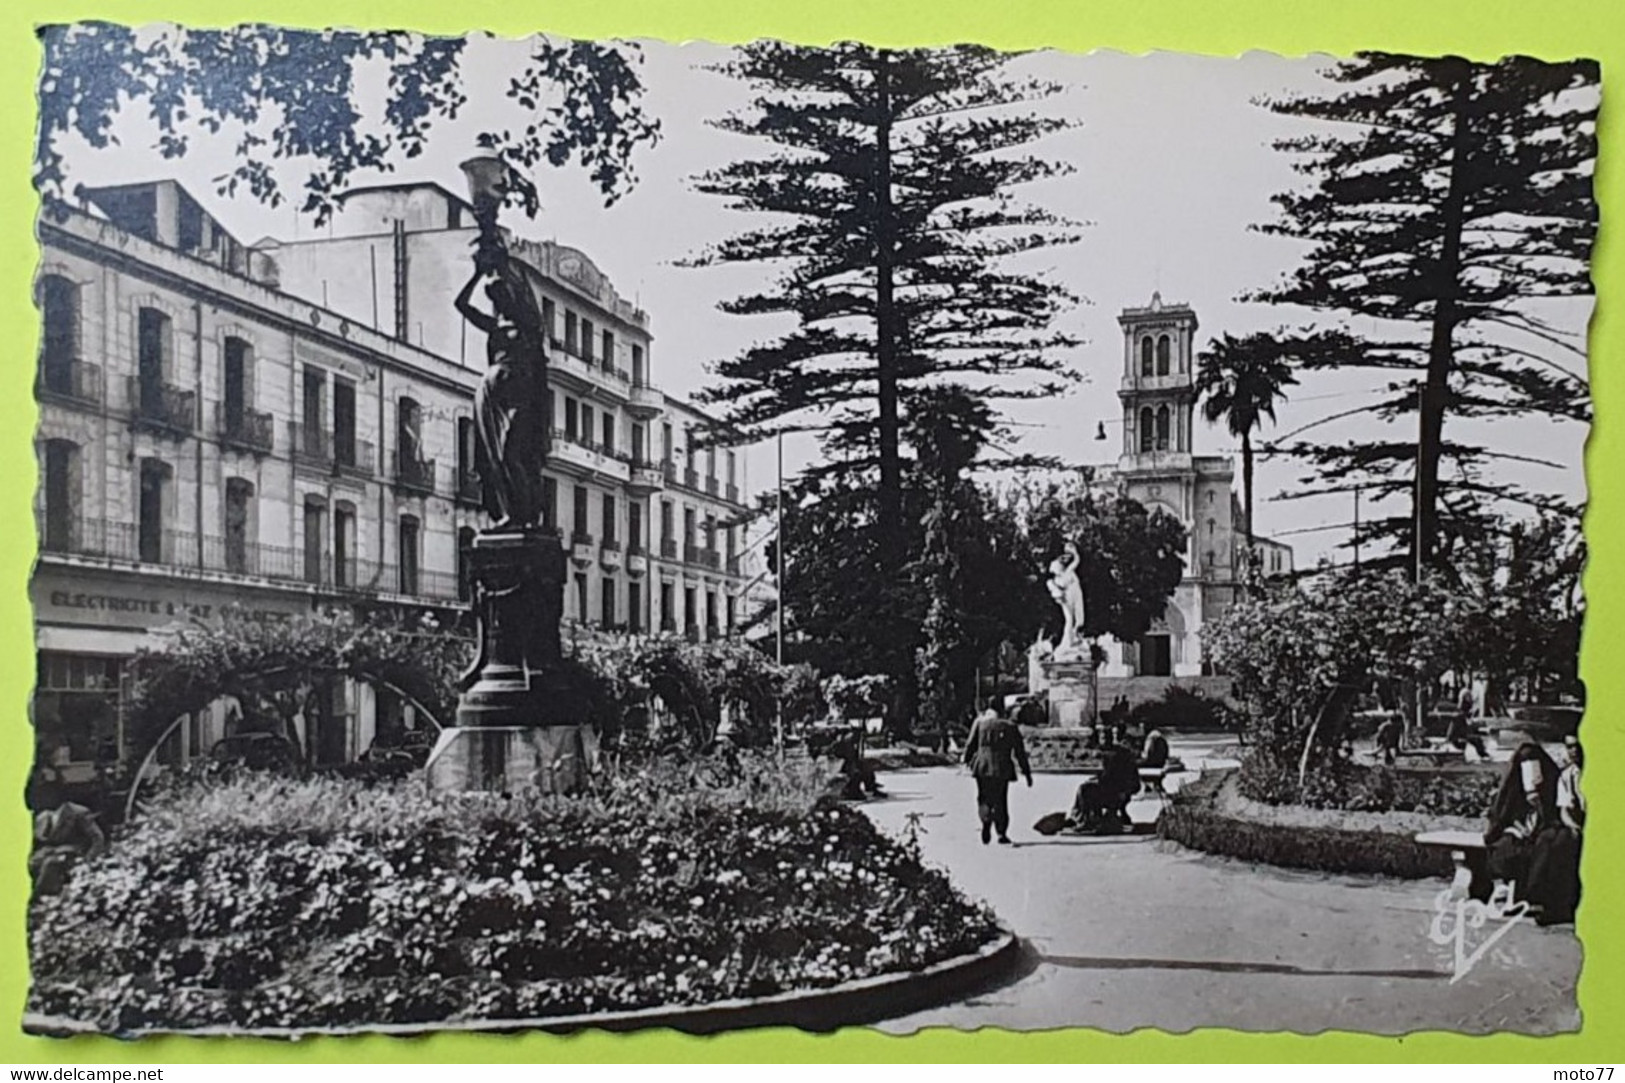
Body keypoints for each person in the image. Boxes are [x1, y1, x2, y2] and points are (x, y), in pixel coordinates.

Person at [454, 243, 550, 530]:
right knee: (492, 458)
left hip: (520, 400)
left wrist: (501, 264)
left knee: (512, 455)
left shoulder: (529, 328)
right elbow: (461, 305)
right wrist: (476, 274)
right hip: (492, 397)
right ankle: (510, 514)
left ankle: (523, 516)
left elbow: (526, 296)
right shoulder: (494, 324)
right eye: (494, 294)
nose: (499, 297)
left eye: (502, 292)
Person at [1484, 737, 1580, 925]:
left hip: (1545, 833)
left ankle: (1537, 898)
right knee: (1505, 846)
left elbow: (1556, 812)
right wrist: (1518, 829)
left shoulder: (1554, 783)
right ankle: (1503, 890)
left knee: (1549, 844)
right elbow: (1503, 819)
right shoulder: (1513, 794)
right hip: (1521, 833)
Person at [963, 708, 1032, 845]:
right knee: (1001, 799)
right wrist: (1027, 773)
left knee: (983, 796)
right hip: (1002, 766)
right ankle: (1001, 833)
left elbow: (970, 745)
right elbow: (1019, 752)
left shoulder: (980, 723)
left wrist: (966, 760)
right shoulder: (1010, 727)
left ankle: (986, 820)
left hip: (982, 765)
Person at [30, 801, 107, 898]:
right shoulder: (48, 818)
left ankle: (42, 896)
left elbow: (98, 838)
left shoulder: (78, 813)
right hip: (59, 851)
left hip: (79, 852)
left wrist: (88, 860)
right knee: (35, 861)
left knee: (50, 863)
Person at [1070, 739, 1140, 834]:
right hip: (1119, 792)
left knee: (1085, 789)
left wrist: (1099, 780)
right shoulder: (1123, 759)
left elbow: (1107, 780)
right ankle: (1088, 818)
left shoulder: (1115, 760)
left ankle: (1087, 819)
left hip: (1116, 793)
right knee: (1087, 788)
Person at [1446, 685, 1489, 759]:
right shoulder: (1460, 713)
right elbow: (1461, 728)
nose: (1471, 699)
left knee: (1477, 739)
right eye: (1468, 697)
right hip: (1457, 737)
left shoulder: (1464, 711)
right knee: (1477, 740)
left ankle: (1483, 754)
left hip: (1460, 734)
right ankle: (1483, 755)